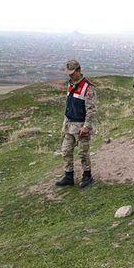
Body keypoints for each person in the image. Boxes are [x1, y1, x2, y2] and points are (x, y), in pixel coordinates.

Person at [55, 60, 96, 189]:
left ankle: (87, 175)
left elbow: (91, 109)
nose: (70, 76)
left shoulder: (87, 87)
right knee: (66, 151)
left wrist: (86, 126)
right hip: (68, 124)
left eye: (72, 73)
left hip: (80, 125)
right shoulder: (70, 84)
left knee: (83, 152)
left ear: (78, 70)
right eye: (68, 73)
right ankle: (68, 176)